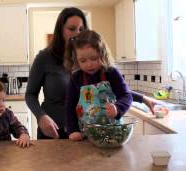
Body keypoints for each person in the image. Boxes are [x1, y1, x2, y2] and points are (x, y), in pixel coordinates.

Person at [25, 7, 155, 140]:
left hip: (87, 132)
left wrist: (142, 99)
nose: (77, 33)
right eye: (72, 28)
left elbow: (107, 89)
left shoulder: (95, 64)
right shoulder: (45, 57)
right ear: (61, 30)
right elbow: (30, 94)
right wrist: (41, 116)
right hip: (54, 131)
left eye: (81, 29)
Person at [65, 30, 133, 141]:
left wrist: (118, 108)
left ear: (103, 54)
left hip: (113, 133)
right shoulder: (75, 78)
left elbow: (127, 95)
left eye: (94, 58)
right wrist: (72, 130)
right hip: (87, 135)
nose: (89, 64)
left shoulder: (111, 73)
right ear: (77, 60)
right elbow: (69, 106)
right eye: (83, 60)